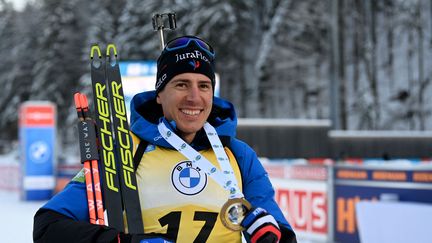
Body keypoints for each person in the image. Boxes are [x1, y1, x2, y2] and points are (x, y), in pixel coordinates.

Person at [33, 35, 297, 243]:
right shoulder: (124, 152)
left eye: (203, 86)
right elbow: (48, 226)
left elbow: (279, 232)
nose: (194, 97)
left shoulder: (238, 155)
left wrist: (270, 234)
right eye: (181, 84)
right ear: (159, 93)